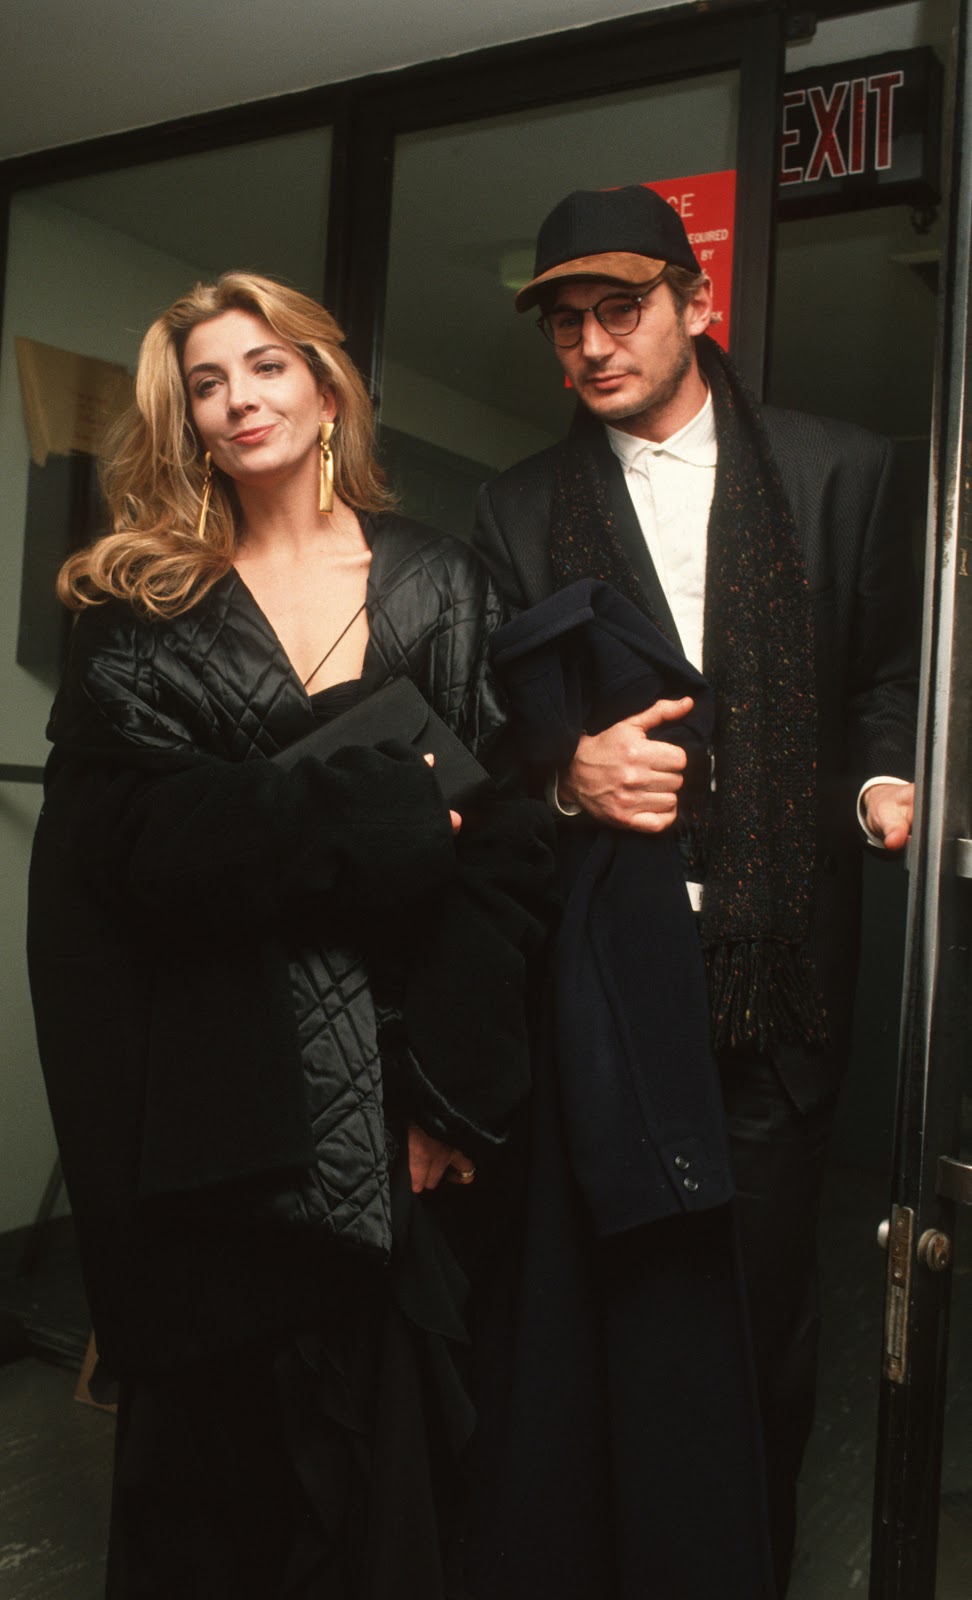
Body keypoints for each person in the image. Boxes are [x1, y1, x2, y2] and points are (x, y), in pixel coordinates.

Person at [27, 271, 554, 1599]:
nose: (235, 399)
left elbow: (498, 858)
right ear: (186, 420)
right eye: (206, 382)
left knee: (381, 1476)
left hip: (395, 1091)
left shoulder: (440, 585)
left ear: (326, 389)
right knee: (214, 1488)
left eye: (264, 367)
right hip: (207, 1096)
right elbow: (132, 859)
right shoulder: (138, 603)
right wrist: (375, 824)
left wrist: (451, 1099)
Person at [471, 185, 917, 1597]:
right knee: (614, 1326)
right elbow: (492, 738)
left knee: (766, 1328)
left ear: (693, 303)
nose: (591, 345)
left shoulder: (840, 468)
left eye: (620, 309)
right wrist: (566, 777)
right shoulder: (518, 508)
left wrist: (882, 780)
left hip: (783, 979)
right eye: (566, 323)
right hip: (609, 993)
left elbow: (889, 673)